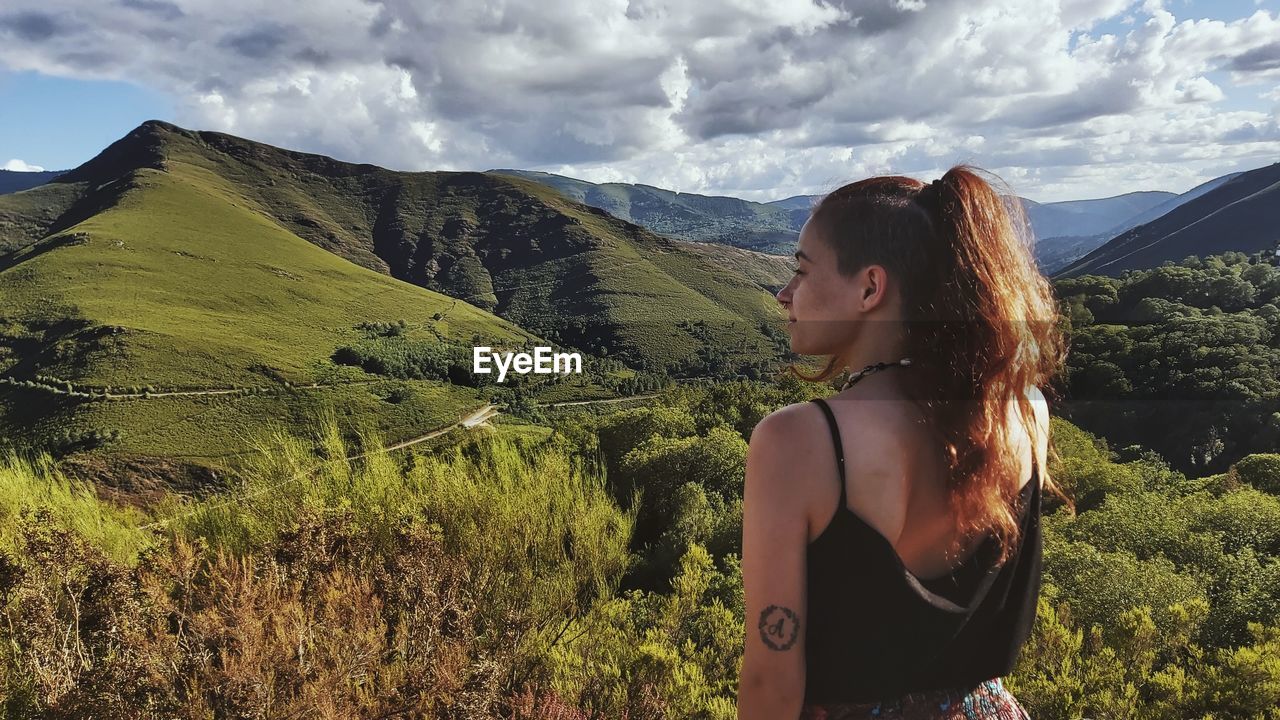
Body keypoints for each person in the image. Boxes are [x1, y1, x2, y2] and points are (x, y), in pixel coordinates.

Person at [736, 165, 1072, 719]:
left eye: (801, 270)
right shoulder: (1025, 412)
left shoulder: (799, 441)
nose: (784, 293)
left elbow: (772, 678)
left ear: (870, 287)